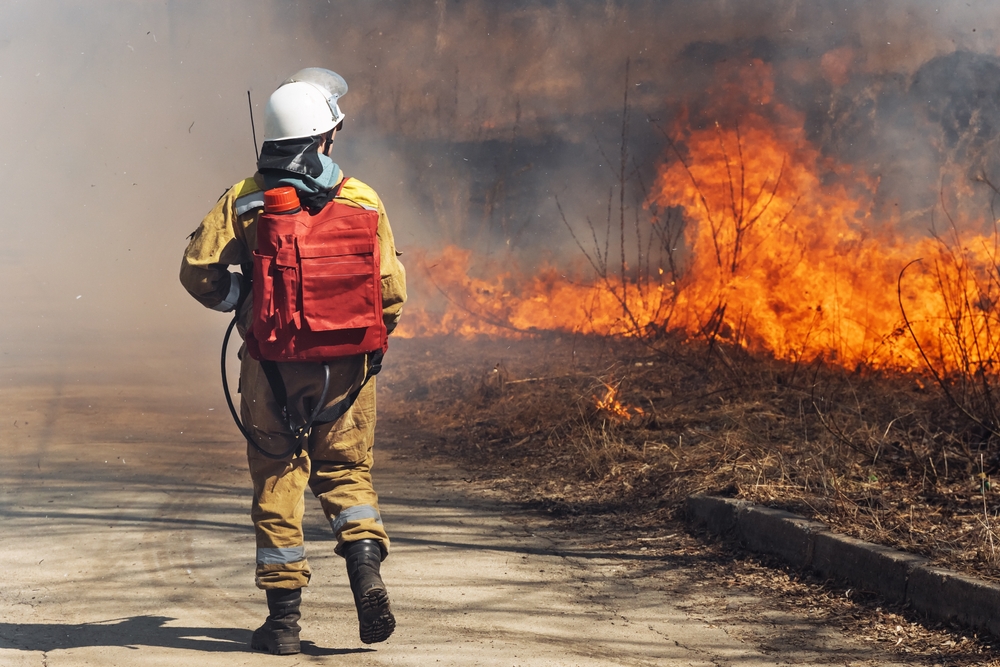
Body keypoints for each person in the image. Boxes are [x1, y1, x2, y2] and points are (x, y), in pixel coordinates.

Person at [179, 68, 406, 655]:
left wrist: (246, 301)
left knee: (278, 478)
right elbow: (390, 291)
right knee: (347, 474)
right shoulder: (361, 197)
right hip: (348, 369)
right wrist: (369, 347)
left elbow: (197, 272)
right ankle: (364, 568)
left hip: (271, 366)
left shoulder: (246, 198)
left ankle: (282, 626)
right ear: (324, 138)